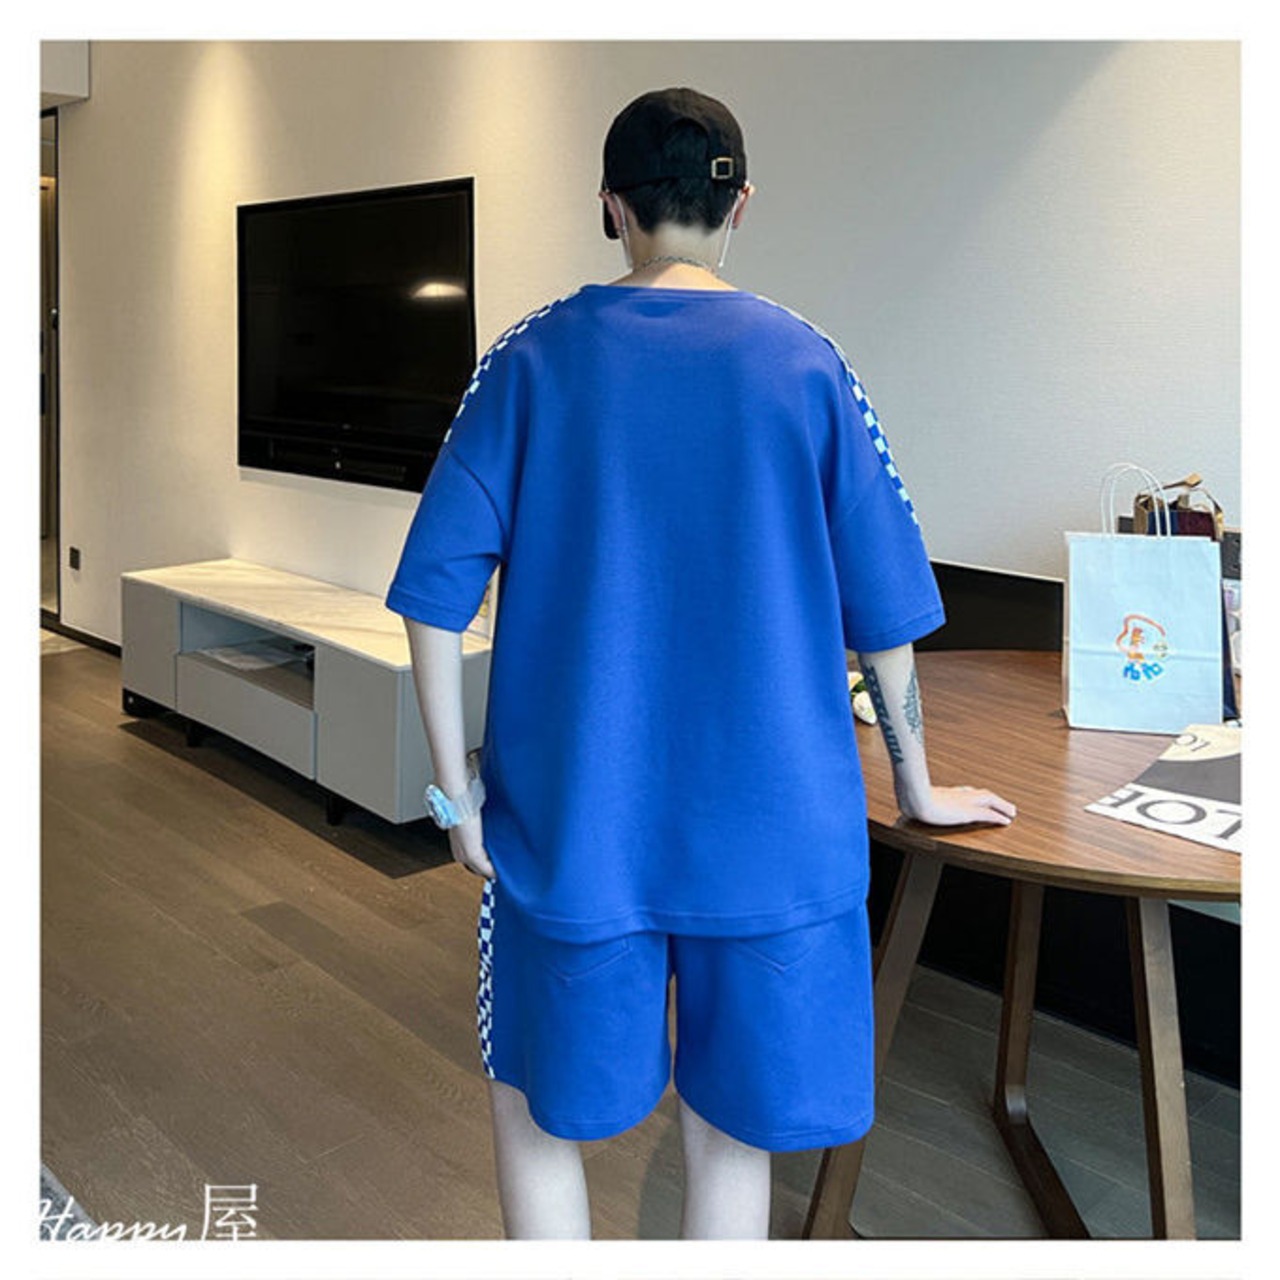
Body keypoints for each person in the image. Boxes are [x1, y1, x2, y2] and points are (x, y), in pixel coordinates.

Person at [385, 86, 1016, 1240]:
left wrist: (453, 795)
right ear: (741, 205)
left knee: (534, 1109)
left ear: (609, 206)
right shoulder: (809, 364)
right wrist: (917, 784)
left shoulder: (529, 360)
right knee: (732, 1137)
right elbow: (882, 614)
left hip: (574, 831)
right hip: (774, 840)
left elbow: (433, 596)